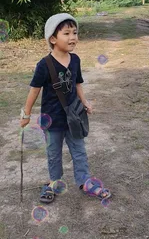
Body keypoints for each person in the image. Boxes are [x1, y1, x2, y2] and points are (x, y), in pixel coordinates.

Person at [20, 13, 111, 203]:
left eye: (75, 32)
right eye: (67, 33)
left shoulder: (75, 60)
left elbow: (78, 84)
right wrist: (26, 114)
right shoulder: (44, 65)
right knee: (53, 153)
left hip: (74, 116)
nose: (73, 37)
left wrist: (85, 102)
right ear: (53, 38)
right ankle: (54, 182)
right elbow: (34, 91)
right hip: (52, 119)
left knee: (79, 150)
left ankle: (86, 181)